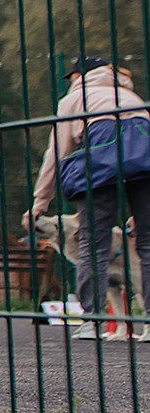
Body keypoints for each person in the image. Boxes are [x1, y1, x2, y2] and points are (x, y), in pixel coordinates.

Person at [26, 55, 150, 341]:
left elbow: (55, 154)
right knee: (145, 243)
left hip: (101, 158)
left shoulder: (74, 99)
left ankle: (92, 320)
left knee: (92, 242)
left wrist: (40, 202)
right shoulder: (132, 96)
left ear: (79, 76)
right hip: (143, 160)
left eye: (71, 76)